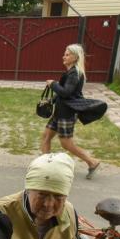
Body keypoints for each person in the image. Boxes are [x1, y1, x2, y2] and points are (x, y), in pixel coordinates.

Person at [41, 44, 101, 179]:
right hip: (60, 111)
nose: (64, 56)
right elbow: (64, 94)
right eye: (65, 53)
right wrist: (52, 101)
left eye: (67, 54)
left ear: (75, 57)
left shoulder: (74, 73)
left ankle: (92, 161)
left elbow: (67, 92)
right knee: (46, 136)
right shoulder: (70, 72)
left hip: (67, 113)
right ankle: (44, 166)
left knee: (66, 143)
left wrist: (53, 84)